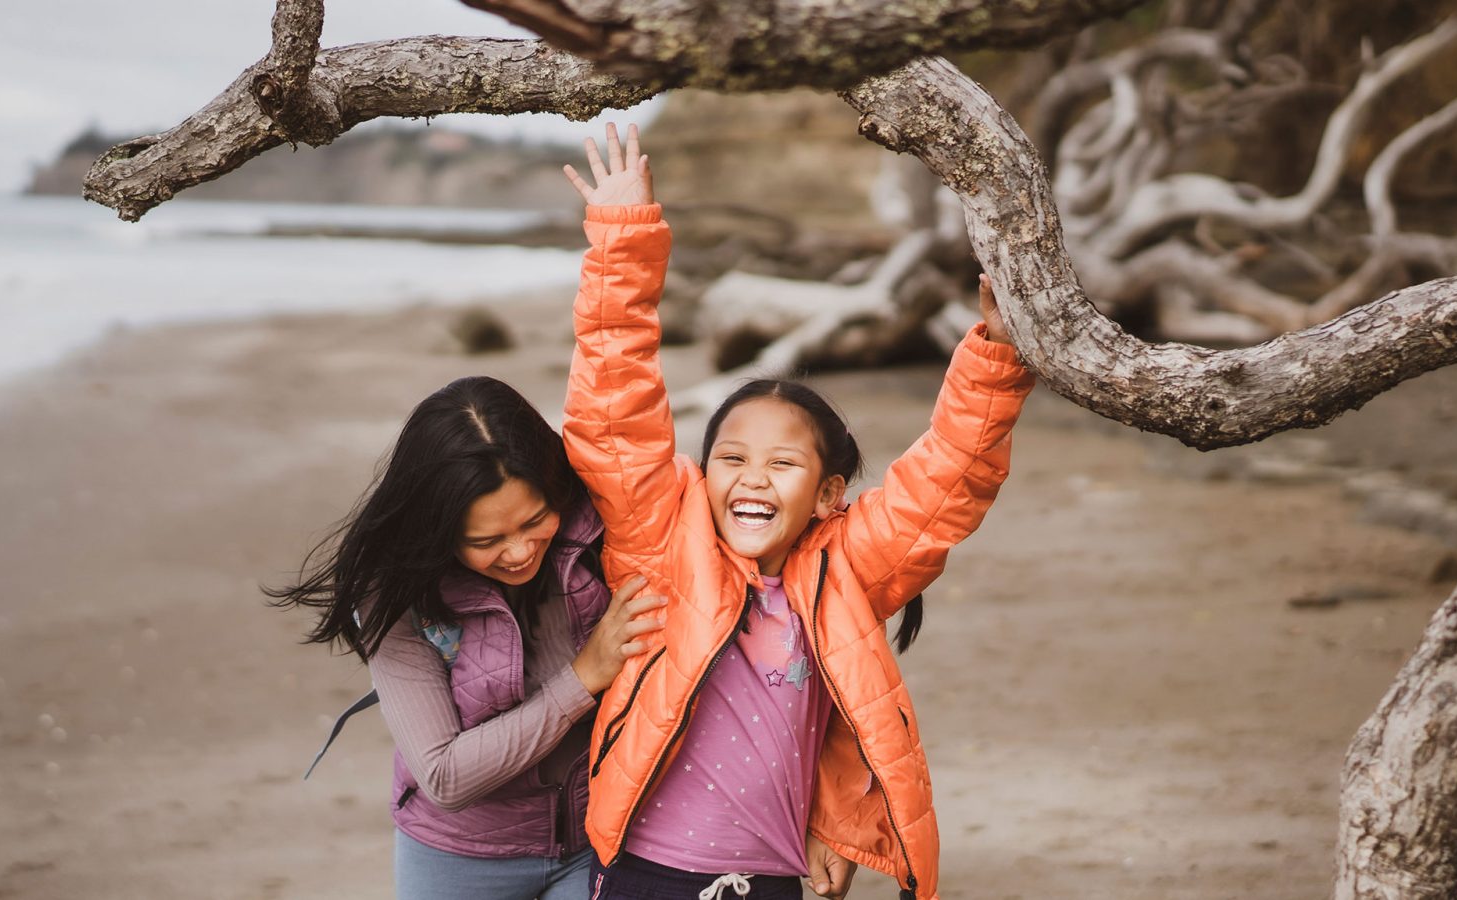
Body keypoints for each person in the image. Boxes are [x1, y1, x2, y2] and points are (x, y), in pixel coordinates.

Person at [559, 125, 1035, 900]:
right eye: (732, 459)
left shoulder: (847, 569)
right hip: (645, 873)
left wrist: (997, 355)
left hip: (775, 879)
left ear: (827, 495)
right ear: (698, 473)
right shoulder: (661, 542)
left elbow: (946, 480)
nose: (752, 479)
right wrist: (621, 240)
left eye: (782, 464)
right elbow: (613, 408)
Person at [269, 375, 667, 900]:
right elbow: (444, 775)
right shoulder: (394, 594)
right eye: (487, 540)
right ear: (438, 529)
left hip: (599, 841)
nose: (520, 551)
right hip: (457, 858)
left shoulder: (602, 538)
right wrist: (583, 679)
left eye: (534, 520)